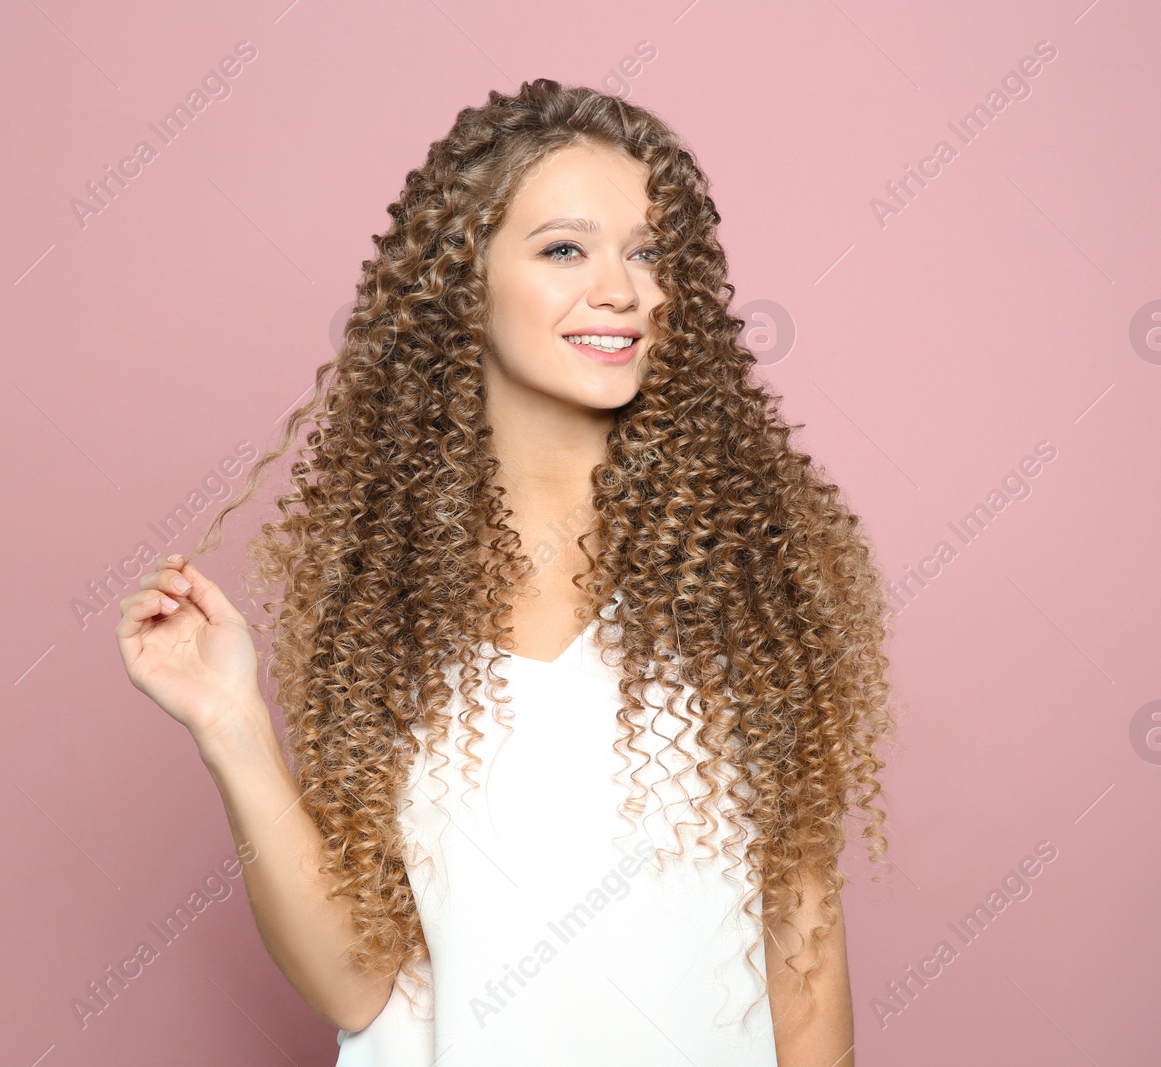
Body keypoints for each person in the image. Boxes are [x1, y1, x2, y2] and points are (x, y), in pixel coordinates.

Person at [115, 78, 894, 1066]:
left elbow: (803, 955)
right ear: (462, 278)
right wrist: (230, 724)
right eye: (565, 247)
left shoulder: (739, 574)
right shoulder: (383, 591)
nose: (623, 288)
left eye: (649, 251)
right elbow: (356, 980)